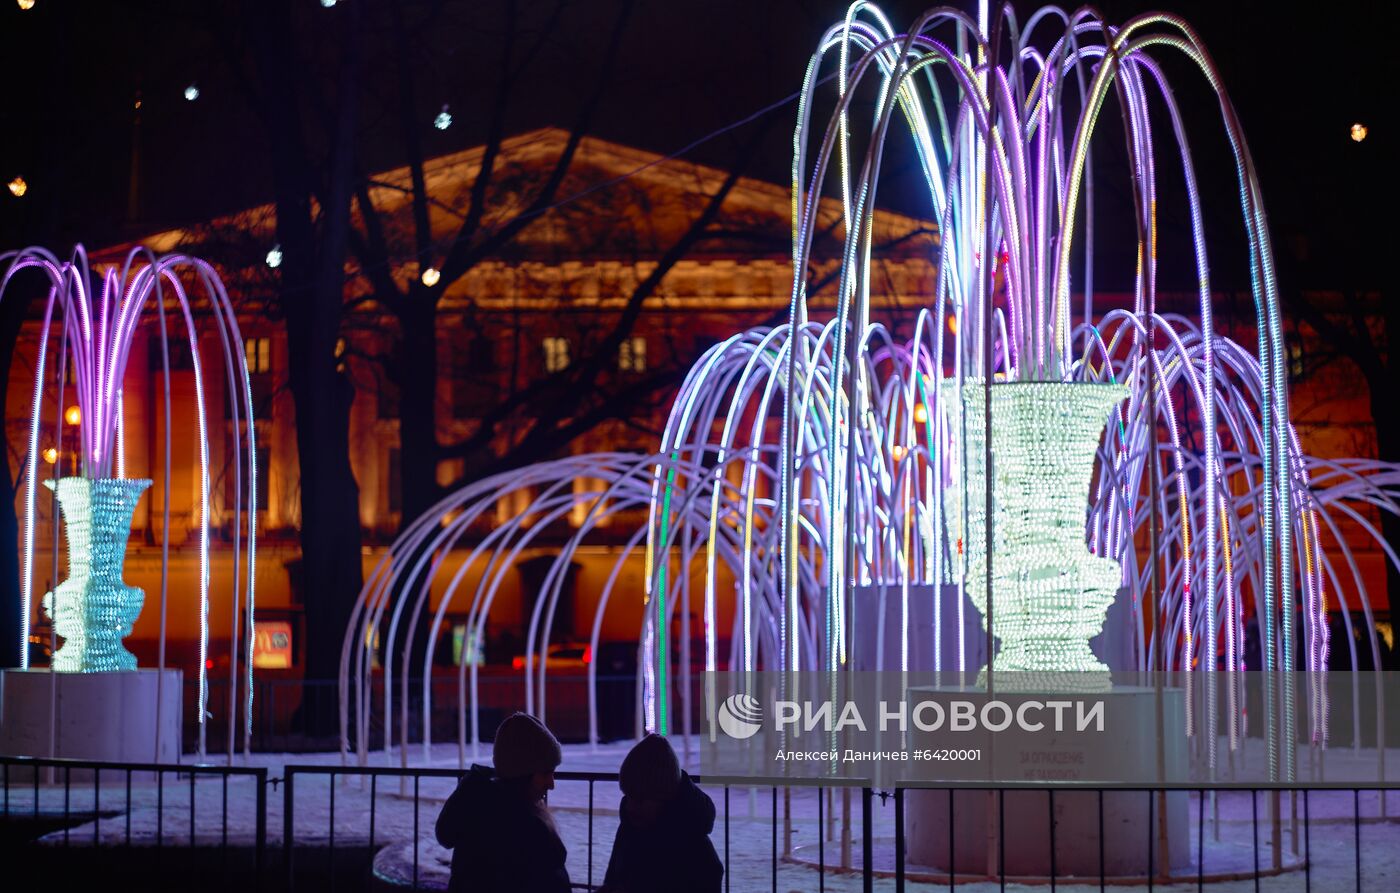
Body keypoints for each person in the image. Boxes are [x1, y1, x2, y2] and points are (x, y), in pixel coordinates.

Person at [434, 712, 571, 893]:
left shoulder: (475, 808)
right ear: (523, 773)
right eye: (545, 773)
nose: (551, 784)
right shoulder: (526, 828)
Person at [601, 733, 722, 893]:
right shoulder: (631, 826)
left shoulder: (697, 854)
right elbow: (614, 881)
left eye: (639, 799)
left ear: (664, 796)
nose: (630, 806)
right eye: (628, 796)